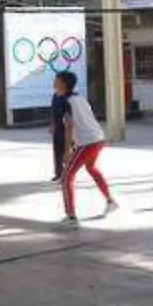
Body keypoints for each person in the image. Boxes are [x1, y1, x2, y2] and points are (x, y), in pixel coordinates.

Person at [56, 71, 117, 229]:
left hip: (88, 142)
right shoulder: (80, 98)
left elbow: (69, 126)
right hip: (98, 138)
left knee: (66, 177)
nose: (54, 83)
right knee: (91, 168)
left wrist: (68, 151)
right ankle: (110, 201)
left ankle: (71, 217)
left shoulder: (65, 101)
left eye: (57, 80)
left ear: (63, 83)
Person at [49, 87, 68, 182]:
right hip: (57, 127)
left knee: (67, 151)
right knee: (57, 152)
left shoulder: (68, 97)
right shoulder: (55, 96)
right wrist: (52, 124)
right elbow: (53, 112)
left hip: (67, 128)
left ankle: (68, 173)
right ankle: (58, 173)